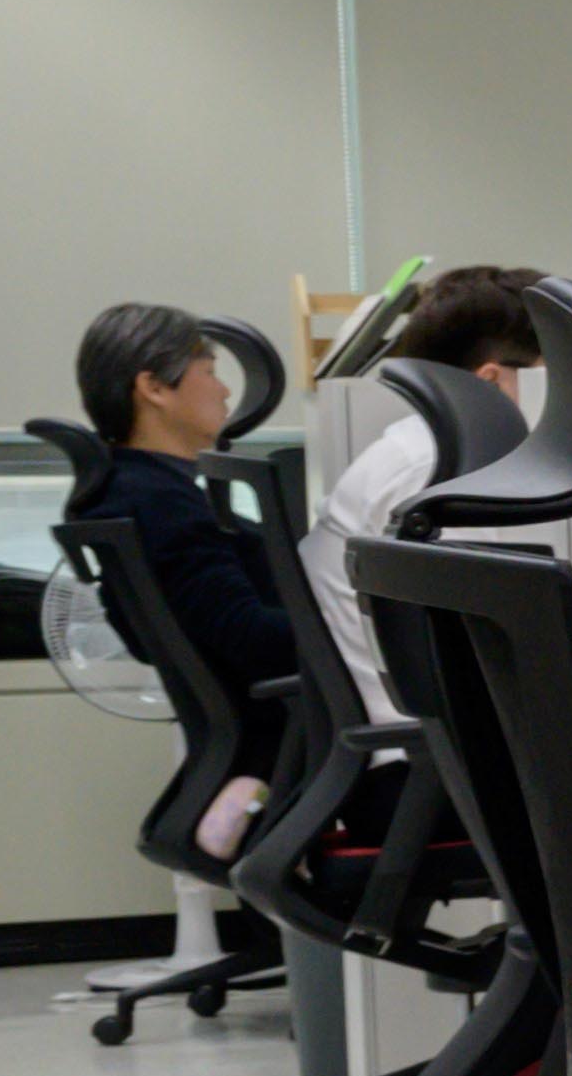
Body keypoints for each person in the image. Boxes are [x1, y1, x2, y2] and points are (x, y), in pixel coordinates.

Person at [74, 303, 306, 853]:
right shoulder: (162, 502)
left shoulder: (130, 489)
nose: (226, 392)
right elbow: (243, 635)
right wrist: (359, 640)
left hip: (254, 736)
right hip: (278, 735)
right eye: (210, 371)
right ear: (154, 386)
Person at [310, 265, 541, 724]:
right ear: (493, 381)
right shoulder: (445, 472)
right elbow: (489, 646)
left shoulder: (419, 447)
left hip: (418, 745)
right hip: (427, 756)